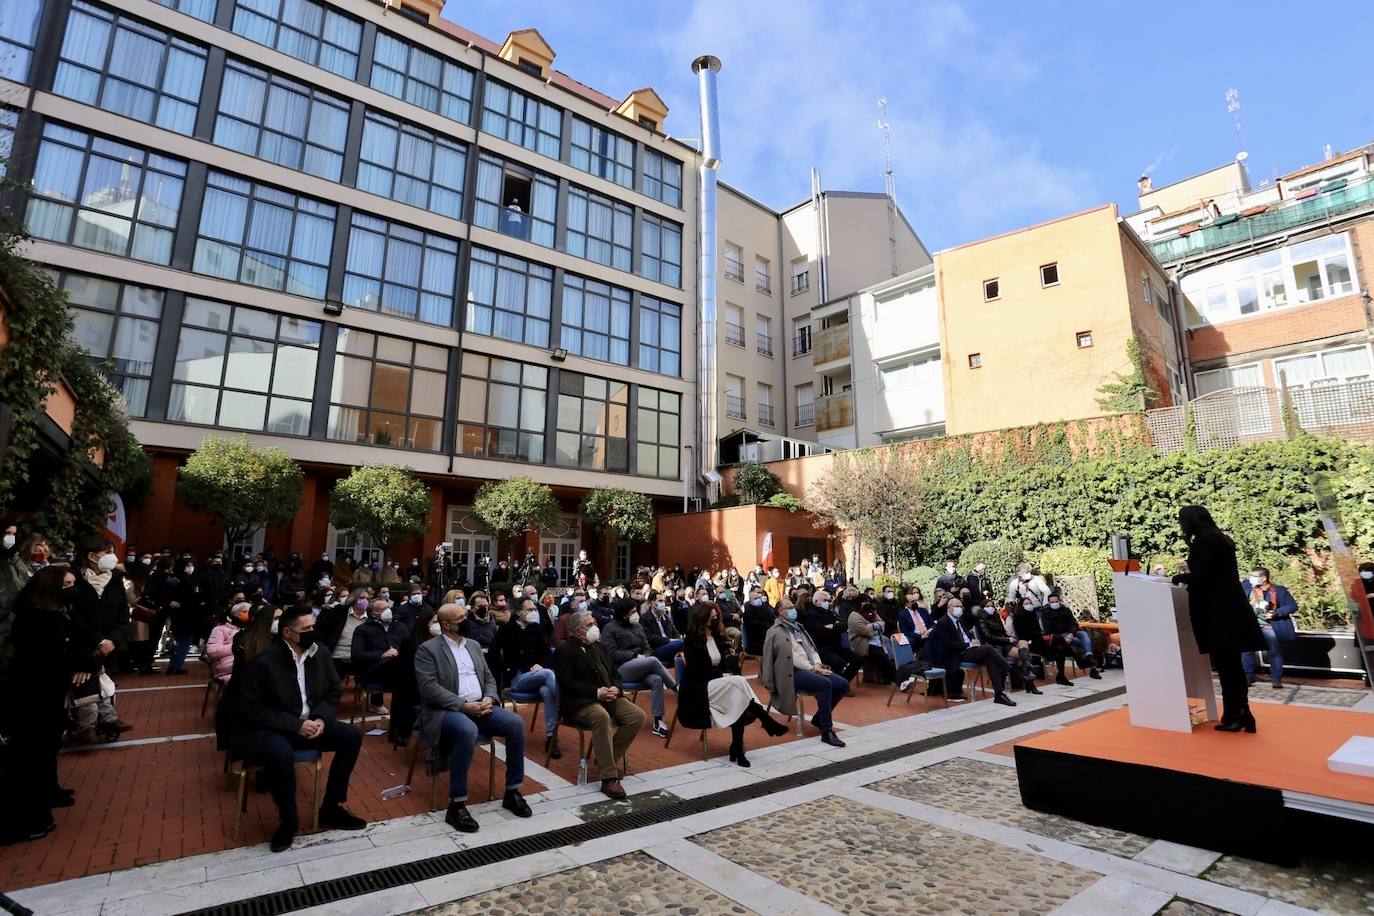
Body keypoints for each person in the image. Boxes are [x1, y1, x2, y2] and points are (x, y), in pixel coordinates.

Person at [233, 605, 366, 852]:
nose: (312, 632)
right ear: (287, 633)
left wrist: (321, 719)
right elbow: (251, 709)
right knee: (279, 754)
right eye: (306, 629)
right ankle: (288, 820)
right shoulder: (264, 662)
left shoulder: (320, 653)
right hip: (276, 729)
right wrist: (296, 725)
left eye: (313, 626)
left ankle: (331, 808)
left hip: (313, 723)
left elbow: (333, 692)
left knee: (351, 737)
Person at [0, 567, 102, 843]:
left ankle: (39, 809)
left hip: (50, 693)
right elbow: (48, 656)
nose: (71, 588)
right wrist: (85, 662)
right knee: (27, 759)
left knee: (43, 753)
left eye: (73, 583)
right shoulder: (34, 617)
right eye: (65, 584)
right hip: (32, 695)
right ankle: (22, 820)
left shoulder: (59, 612)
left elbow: (79, 636)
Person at [415, 603, 531, 832]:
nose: (466, 620)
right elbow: (429, 688)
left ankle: (512, 791)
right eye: (461, 618)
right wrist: (463, 706)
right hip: (447, 711)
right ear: (446, 624)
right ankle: (456, 804)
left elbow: (488, 677)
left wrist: (490, 697)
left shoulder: (474, 646)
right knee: (467, 730)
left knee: (516, 723)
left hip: (481, 706)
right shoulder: (428, 650)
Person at [1173, 505, 1265, 733]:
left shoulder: (1204, 541)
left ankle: (1236, 715)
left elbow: (1204, 577)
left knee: (1227, 667)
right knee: (1231, 666)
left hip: (1218, 613)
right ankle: (1241, 713)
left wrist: (1182, 575)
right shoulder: (1219, 539)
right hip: (1229, 610)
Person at [679, 602, 788, 767]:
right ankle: (765, 720)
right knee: (738, 682)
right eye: (712, 618)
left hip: (718, 684)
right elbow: (696, 671)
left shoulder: (716, 636)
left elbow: (723, 663)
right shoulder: (692, 640)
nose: (715, 620)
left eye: (717, 617)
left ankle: (736, 748)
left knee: (739, 698)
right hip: (698, 687)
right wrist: (722, 676)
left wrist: (724, 672)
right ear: (702, 619)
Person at [553, 608, 646, 799]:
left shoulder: (600, 647)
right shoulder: (565, 651)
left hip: (609, 696)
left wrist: (616, 689)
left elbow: (614, 674)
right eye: (589, 624)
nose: (594, 627)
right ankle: (609, 777)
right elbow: (568, 683)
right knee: (601, 717)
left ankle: (606, 759)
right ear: (577, 629)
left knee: (637, 716)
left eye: (594, 623)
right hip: (580, 702)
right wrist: (597, 693)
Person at [762, 597, 849, 747]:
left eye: (793, 607)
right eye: (789, 608)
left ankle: (819, 718)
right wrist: (812, 668)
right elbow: (790, 656)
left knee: (842, 684)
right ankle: (827, 731)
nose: (793, 610)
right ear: (781, 612)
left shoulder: (798, 627)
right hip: (792, 672)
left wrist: (817, 664)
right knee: (824, 684)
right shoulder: (775, 632)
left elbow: (812, 649)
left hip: (811, 667)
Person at [600, 598, 678, 738]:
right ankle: (676, 689)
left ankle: (658, 722)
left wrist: (644, 657)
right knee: (654, 661)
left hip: (642, 665)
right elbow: (611, 654)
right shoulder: (610, 628)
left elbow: (647, 648)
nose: (636, 614)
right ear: (624, 614)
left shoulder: (638, 626)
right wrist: (634, 655)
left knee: (657, 680)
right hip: (621, 669)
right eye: (633, 612)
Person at [495, 596, 561, 759]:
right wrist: (504, 678)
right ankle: (566, 705)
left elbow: (548, 653)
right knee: (548, 674)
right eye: (529, 610)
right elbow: (493, 655)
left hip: (538, 676)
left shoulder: (536, 629)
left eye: (534, 609)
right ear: (518, 612)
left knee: (547, 690)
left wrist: (542, 665)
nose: (534, 612)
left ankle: (551, 738)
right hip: (518, 678)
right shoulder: (507, 629)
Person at [929, 597, 1016, 707]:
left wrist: (972, 641)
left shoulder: (961, 621)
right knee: (988, 649)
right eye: (957, 606)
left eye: (961, 607)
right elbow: (948, 645)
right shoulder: (943, 622)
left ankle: (999, 694)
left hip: (968, 650)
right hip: (956, 654)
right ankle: (1011, 670)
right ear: (949, 608)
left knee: (989, 658)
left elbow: (966, 637)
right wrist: (969, 645)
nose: (960, 609)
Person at [1240, 566, 1298, 689]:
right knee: (1246, 651)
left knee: (1274, 652)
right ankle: (1247, 677)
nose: (1251, 578)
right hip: (1251, 626)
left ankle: (1276, 679)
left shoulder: (1279, 591)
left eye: (1254, 576)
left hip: (1270, 627)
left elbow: (1293, 606)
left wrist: (1276, 613)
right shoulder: (1246, 586)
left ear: (1264, 578)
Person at [351, 596, 409, 715]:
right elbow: (357, 655)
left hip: (399, 670)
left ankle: (408, 710)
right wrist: (382, 655)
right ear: (373, 613)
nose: (388, 611)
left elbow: (409, 647)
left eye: (388, 607)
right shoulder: (362, 630)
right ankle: (382, 705)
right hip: (374, 670)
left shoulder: (400, 626)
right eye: (383, 609)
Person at [801, 590, 862, 682]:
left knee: (858, 658)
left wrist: (834, 627)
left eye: (828, 601)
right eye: (824, 600)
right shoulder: (811, 615)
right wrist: (834, 627)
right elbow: (821, 632)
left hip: (836, 645)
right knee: (838, 662)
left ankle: (843, 681)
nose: (827, 603)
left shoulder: (829, 612)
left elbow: (843, 625)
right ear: (816, 601)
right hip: (822, 648)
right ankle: (838, 684)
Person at [848, 600, 894, 684]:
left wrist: (872, 625)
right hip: (862, 644)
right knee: (882, 657)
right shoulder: (854, 615)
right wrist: (877, 628)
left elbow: (882, 623)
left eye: (868, 602)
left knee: (887, 655)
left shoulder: (872, 612)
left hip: (877, 641)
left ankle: (891, 678)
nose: (867, 604)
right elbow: (864, 631)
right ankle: (898, 680)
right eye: (864, 602)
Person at [206, 602, 250, 684]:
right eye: (245, 611)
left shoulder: (250, 628)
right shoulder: (219, 629)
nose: (248, 614)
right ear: (235, 614)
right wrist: (236, 646)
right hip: (225, 666)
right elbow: (212, 652)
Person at [641, 596, 684, 664]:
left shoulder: (665, 617)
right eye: (660, 601)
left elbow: (674, 632)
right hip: (657, 648)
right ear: (652, 603)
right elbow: (649, 638)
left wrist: (678, 638)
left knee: (686, 643)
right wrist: (669, 640)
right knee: (682, 644)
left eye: (664, 601)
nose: (663, 603)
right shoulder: (644, 618)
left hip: (670, 644)